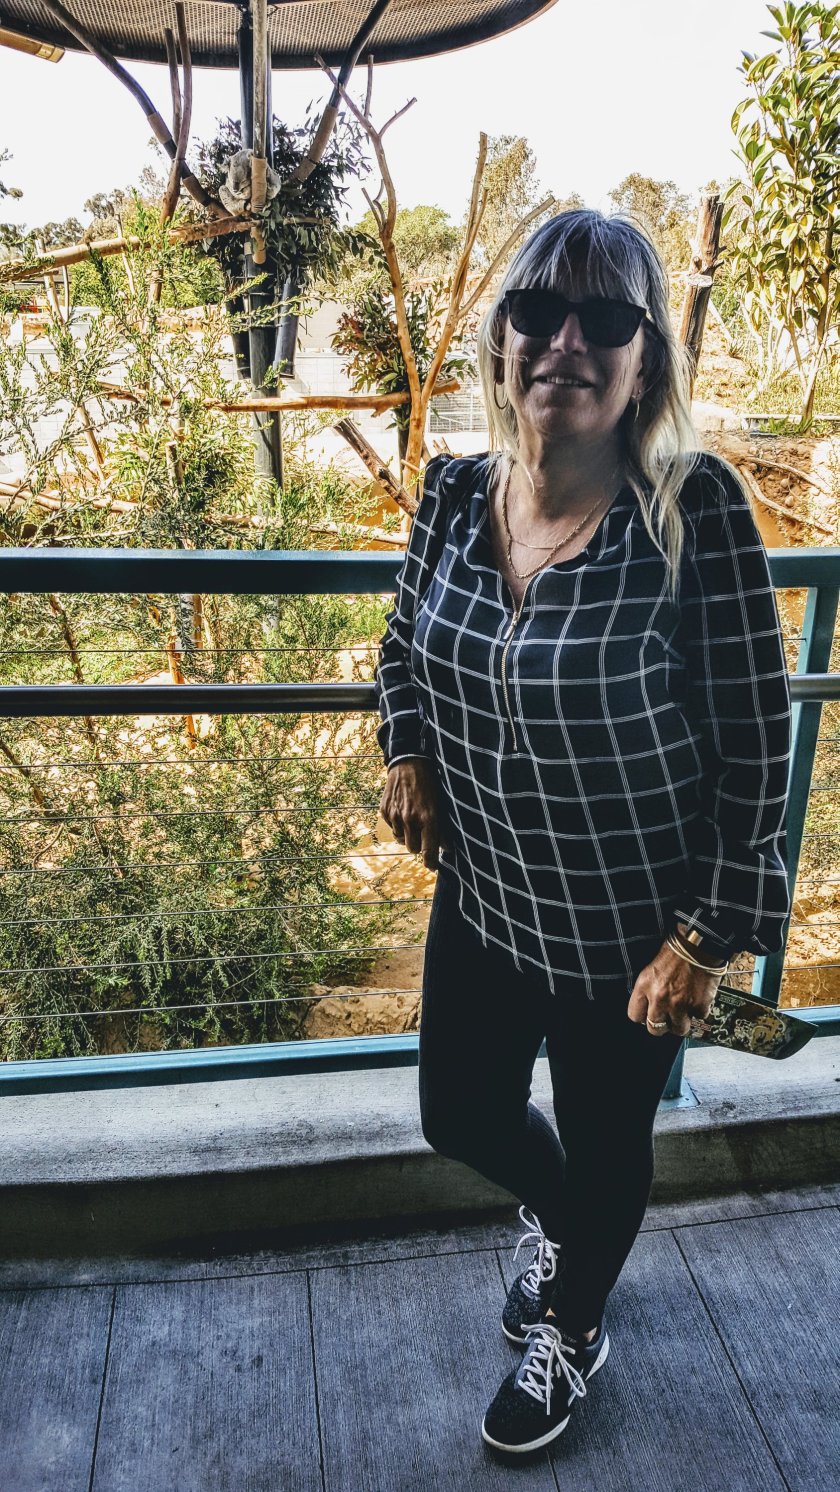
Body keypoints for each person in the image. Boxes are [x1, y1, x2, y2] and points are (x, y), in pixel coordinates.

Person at [373, 209, 791, 1456]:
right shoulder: (455, 494)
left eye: (606, 318)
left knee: (610, 1145)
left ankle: (576, 1319)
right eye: (538, 311)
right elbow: (400, 650)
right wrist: (406, 750)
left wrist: (704, 940)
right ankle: (573, 1229)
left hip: (631, 933)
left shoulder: (691, 510)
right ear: (501, 341)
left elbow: (755, 741)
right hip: (487, 895)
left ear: (645, 360)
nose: (566, 340)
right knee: (460, 1115)